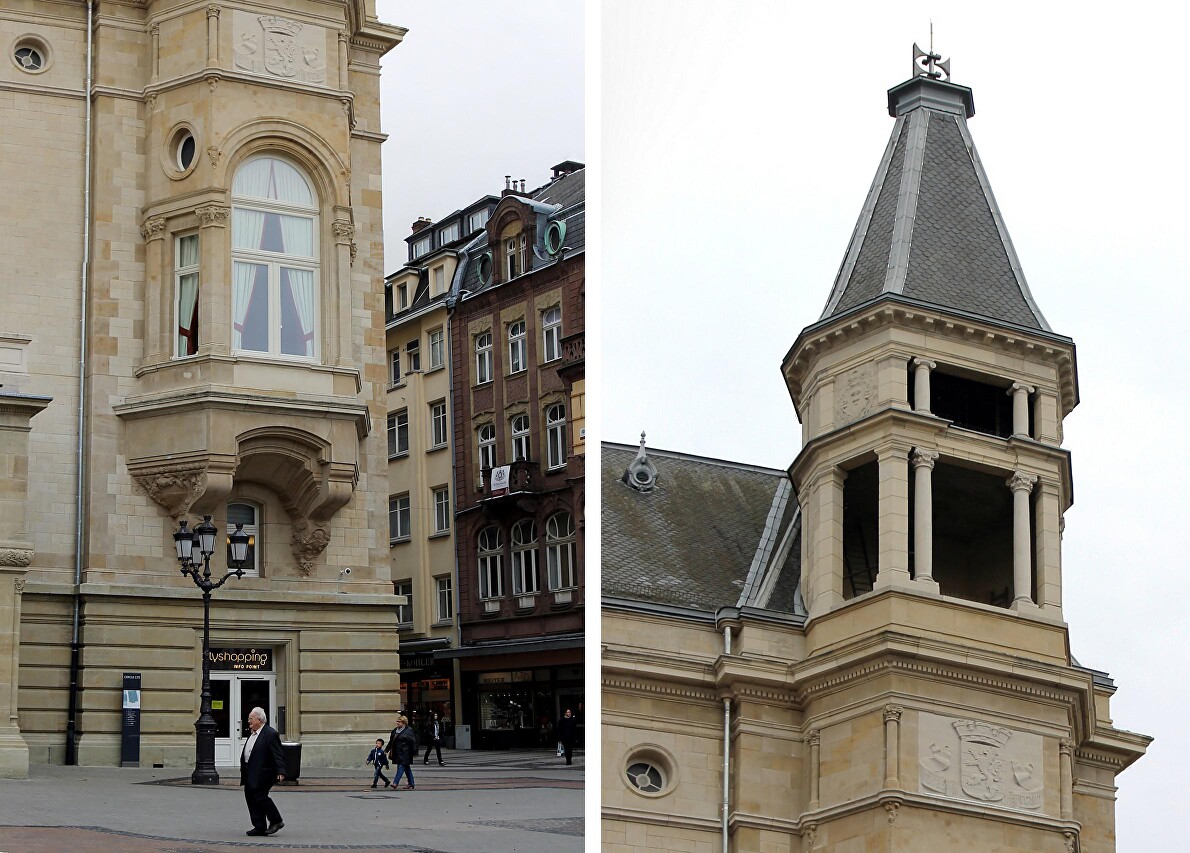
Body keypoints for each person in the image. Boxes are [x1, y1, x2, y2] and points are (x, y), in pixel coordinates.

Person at [240, 706, 286, 836]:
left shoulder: (270, 733)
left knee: (260, 796)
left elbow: (278, 754)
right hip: (250, 772)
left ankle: (276, 820)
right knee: (251, 798)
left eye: (251, 719)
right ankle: (259, 826)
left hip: (264, 772)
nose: (248, 721)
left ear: (259, 719)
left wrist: (281, 771)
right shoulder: (253, 733)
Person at [385, 715, 417, 790]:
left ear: (404, 723)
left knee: (401, 767)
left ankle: (395, 782)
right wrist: (386, 750)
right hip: (397, 753)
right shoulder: (395, 731)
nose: (397, 723)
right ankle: (411, 783)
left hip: (405, 753)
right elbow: (391, 742)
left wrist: (414, 752)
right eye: (397, 721)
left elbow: (413, 742)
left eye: (399, 722)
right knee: (407, 768)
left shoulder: (409, 730)